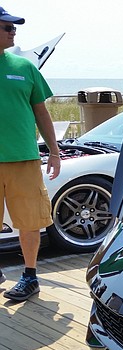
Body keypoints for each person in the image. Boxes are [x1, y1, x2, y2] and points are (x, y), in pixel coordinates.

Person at [0, 5, 61, 301]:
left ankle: (30, 276)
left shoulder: (25, 68)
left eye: (14, 28)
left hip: (23, 159)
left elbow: (41, 112)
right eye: (8, 27)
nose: (14, 32)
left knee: (29, 221)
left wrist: (54, 151)